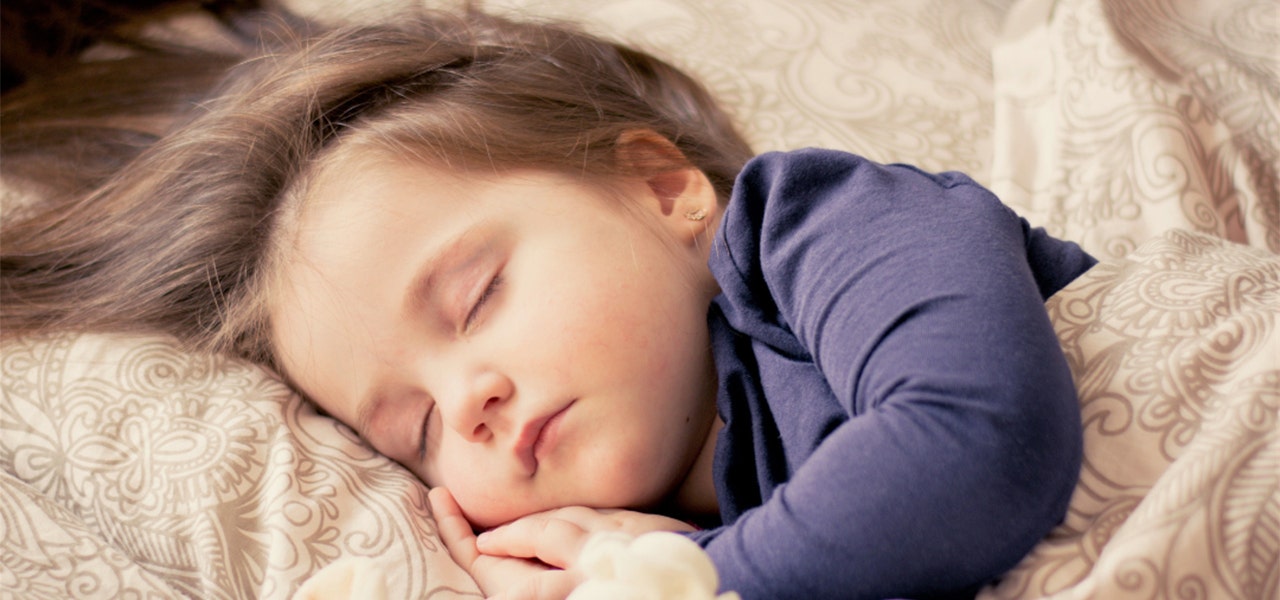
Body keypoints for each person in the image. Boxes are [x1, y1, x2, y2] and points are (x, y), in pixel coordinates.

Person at [0, 4, 1095, 598]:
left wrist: (692, 582)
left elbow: (974, 437)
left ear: (662, 188)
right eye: (415, 429)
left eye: (475, 298)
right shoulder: (675, 519)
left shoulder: (821, 223)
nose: (465, 402)